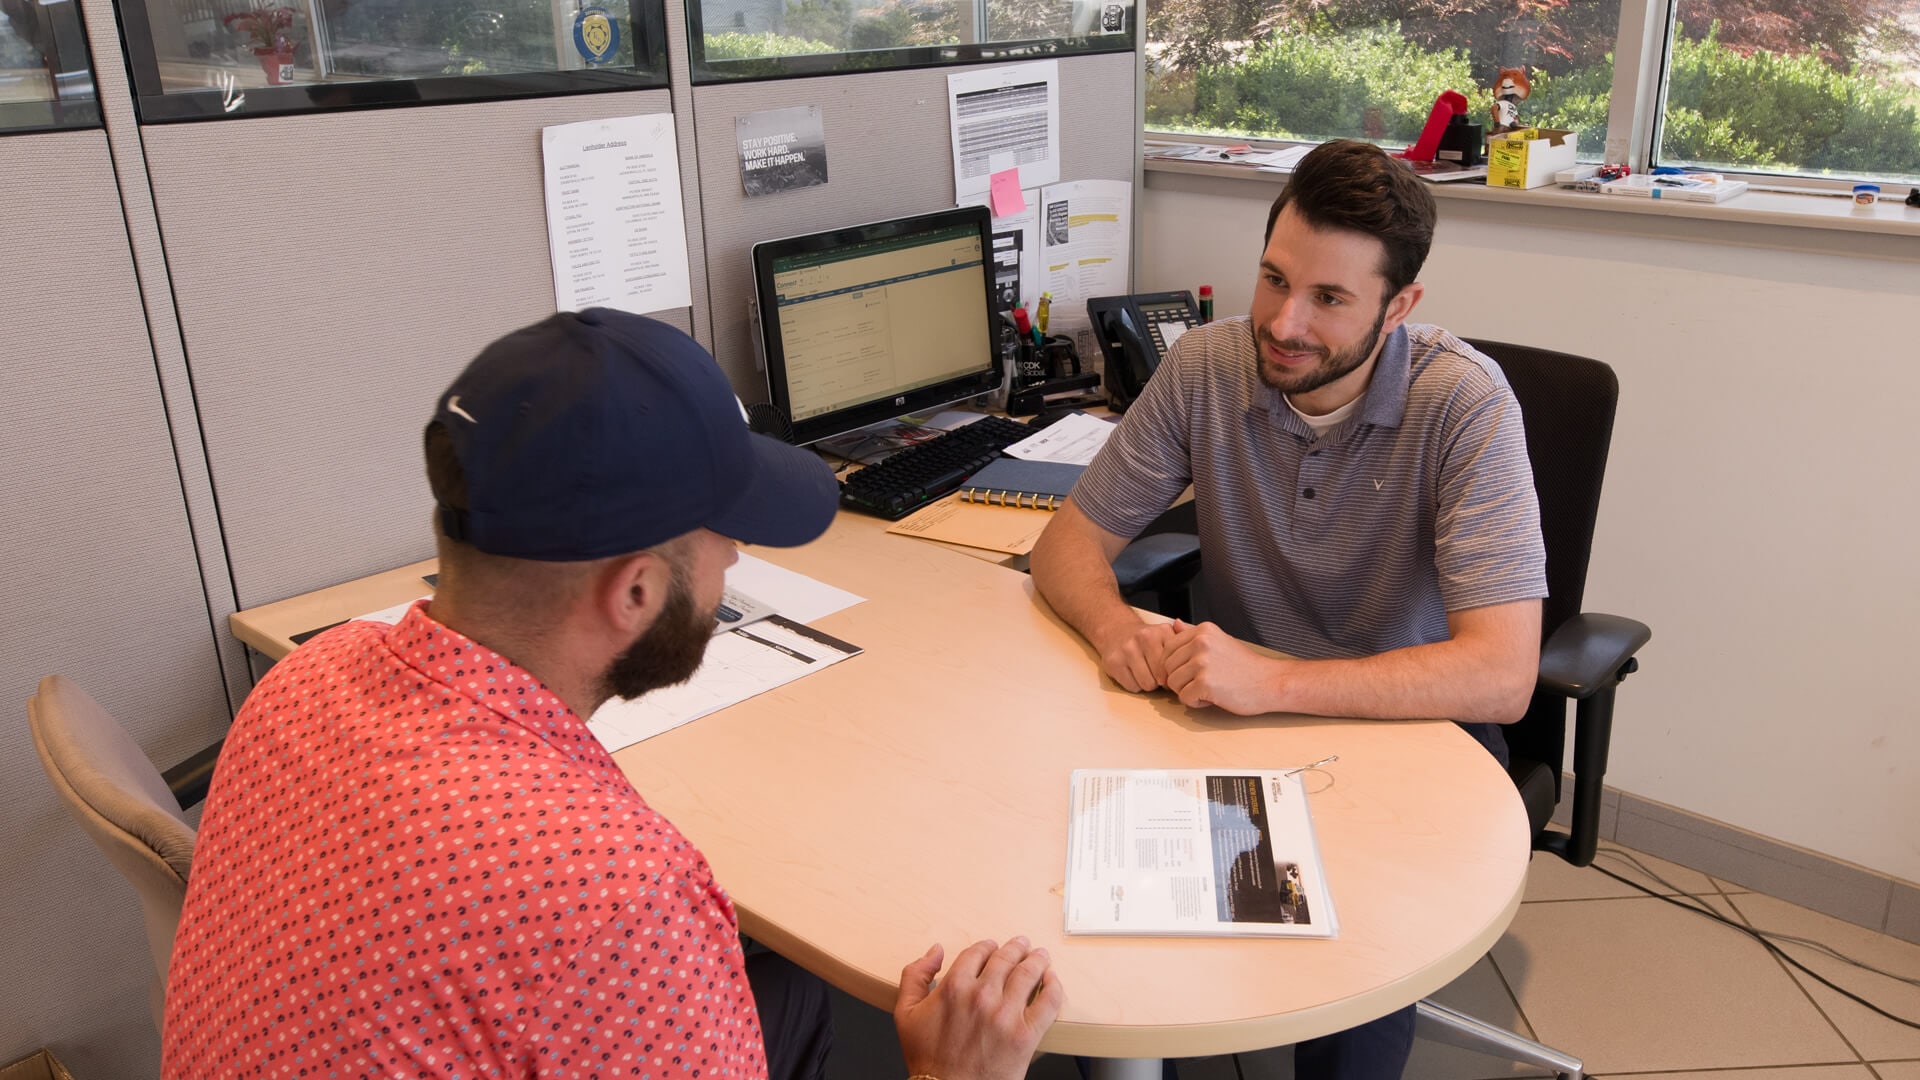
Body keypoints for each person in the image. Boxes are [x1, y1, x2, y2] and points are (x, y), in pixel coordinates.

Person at [163, 308, 1065, 1079]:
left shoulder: (306, 676)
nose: (735, 558)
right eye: (724, 534)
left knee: (788, 993)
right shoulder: (618, 897)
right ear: (634, 593)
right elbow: (592, 915)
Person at [1029, 139, 1546, 1079]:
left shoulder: (1464, 406)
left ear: (1400, 308)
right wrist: (1118, 631)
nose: (1284, 321)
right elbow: (1066, 543)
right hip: (1233, 721)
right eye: (1273, 278)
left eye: (1330, 299)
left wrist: (1274, 679)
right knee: (1113, 920)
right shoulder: (1206, 367)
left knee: (1357, 972)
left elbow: (1503, 674)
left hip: (1415, 738)